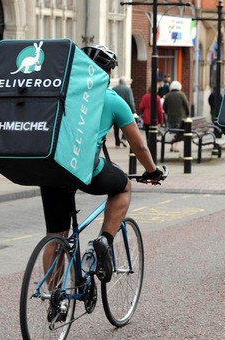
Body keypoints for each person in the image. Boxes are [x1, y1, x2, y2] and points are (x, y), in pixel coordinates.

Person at [40, 45, 163, 283]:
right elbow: (139, 146)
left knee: (56, 234)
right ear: (106, 74)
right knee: (124, 185)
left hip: (52, 170)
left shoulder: (61, 92)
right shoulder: (112, 100)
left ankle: (56, 298)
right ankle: (104, 240)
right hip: (85, 171)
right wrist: (152, 171)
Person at [162, 80, 190, 152]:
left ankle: (172, 146)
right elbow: (186, 105)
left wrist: (167, 113)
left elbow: (164, 106)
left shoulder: (168, 95)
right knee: (178, 132)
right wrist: (187, 114)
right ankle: (175, 147)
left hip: (170, 117)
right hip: (179, 117)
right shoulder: (182, 95)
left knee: (172, 132)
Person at [111, 77, 136, 147]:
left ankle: (117, 141)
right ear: (124, 82)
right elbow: (131, 101)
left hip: (115, 110)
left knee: (116, 128)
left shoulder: (114, 89)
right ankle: (123, 138)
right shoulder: (128, 89)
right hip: (125, 111)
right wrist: (134, 111)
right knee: (125, 125)